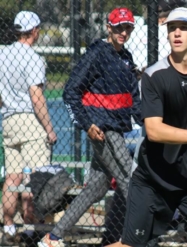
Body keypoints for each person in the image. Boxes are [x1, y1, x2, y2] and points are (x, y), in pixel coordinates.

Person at [106, 7, 187, 247]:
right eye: (172, 28)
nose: (176, 33)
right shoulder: (154, 76)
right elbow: (154, 132)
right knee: (130, 244)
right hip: (153, 177)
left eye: (184, 28)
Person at [38, 7, 142, 246]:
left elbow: (135, 103)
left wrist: (153, 123)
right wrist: (87, 125)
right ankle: (140, 237)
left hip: (118, 130)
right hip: (103, 133)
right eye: (118, 27)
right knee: (130, 181)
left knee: (95, 188)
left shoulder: (126, 58)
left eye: (127, 28)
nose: (123, 32)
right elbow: (70, 92)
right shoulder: (96, 54)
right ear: (109, 27)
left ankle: (52, 238)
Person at [0, 11, 58, 245]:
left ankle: (9, 228)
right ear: (34, 31)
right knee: (36, 178)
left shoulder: (2, 54)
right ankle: (33, 230)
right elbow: (36, 97)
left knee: (12, 178)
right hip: (30, 121)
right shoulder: (34, 58)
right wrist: (49, 128)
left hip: (8, 120)